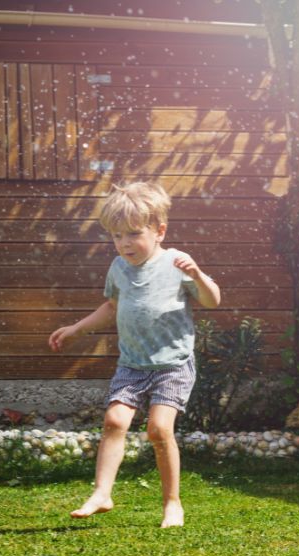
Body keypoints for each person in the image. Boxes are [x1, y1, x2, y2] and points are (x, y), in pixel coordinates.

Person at [49, 181, 221, 526]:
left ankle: (172, 503)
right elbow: (112, 307)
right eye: (117, 235)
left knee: (158, 429)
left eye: (133, 233)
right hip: (132, 364)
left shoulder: (176, 263)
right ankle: (102, 493)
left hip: (173, 364)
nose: (125, 243)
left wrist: (198, 275)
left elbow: (212, 300)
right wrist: (76, 329)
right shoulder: (119, 267)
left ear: (159, 231)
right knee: (114, 421)